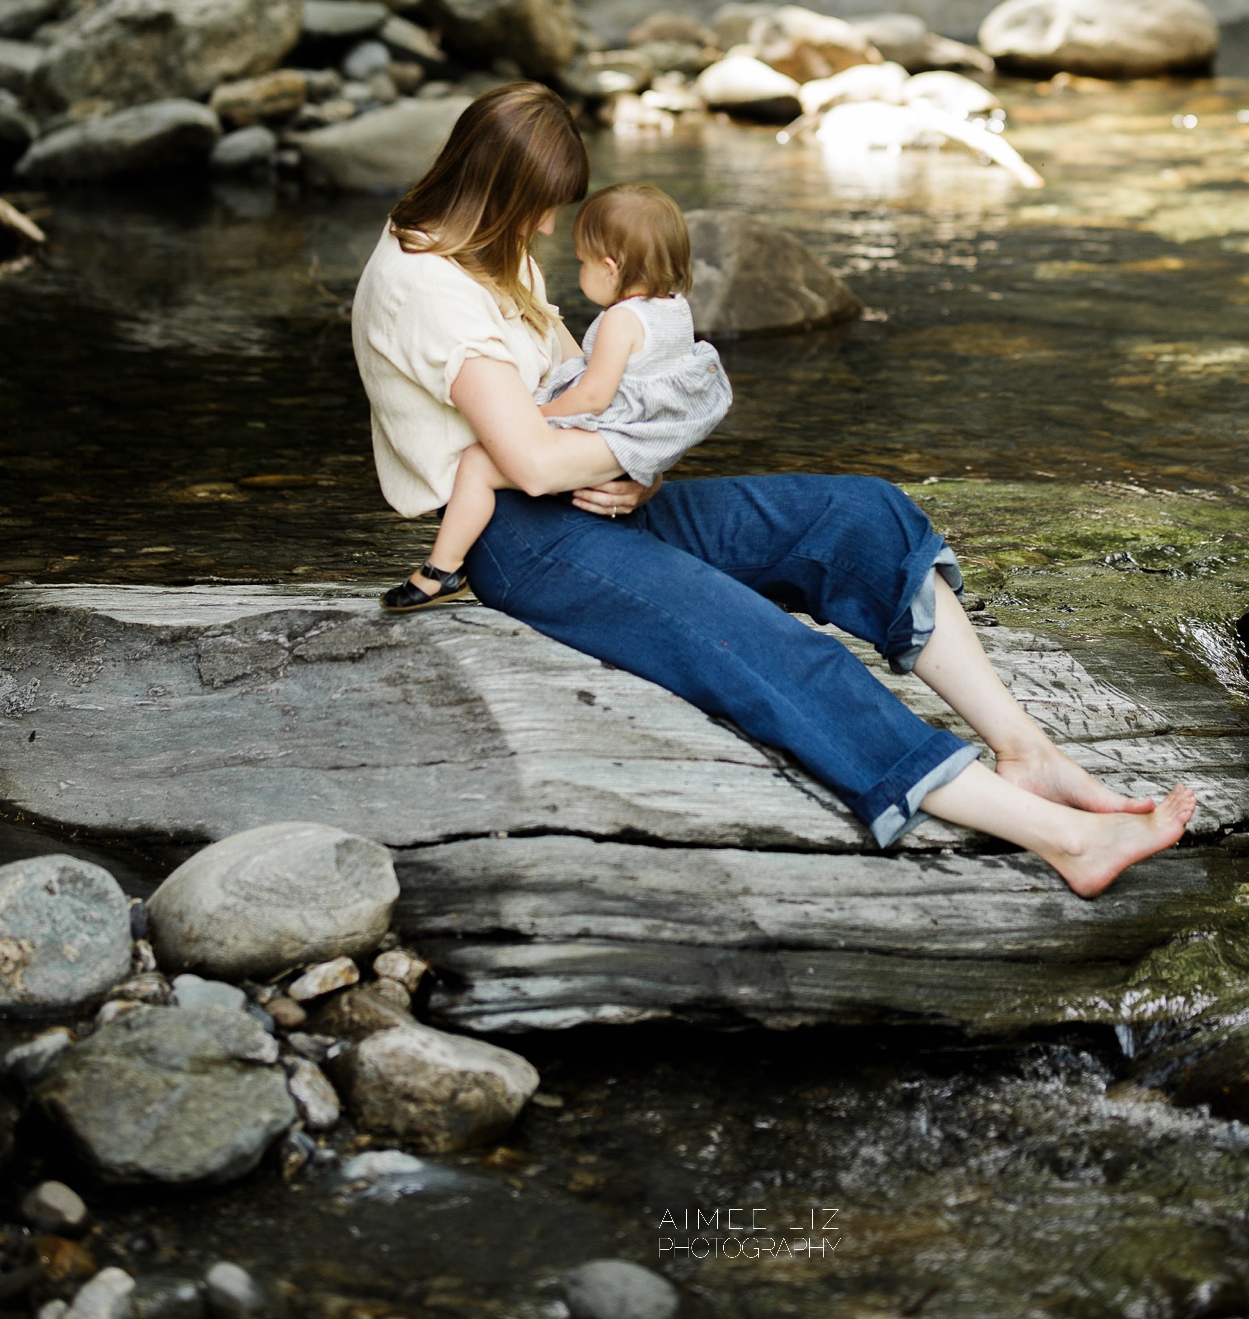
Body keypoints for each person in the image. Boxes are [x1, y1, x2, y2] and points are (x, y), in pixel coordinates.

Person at [350, 82, 1196, 897]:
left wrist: (641, 470)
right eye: (540, 206)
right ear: (498, 191)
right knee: (759, 647)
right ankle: (1065, 838)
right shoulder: (429, 290)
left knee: (859, 516)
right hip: (523, 541)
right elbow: (530, 463)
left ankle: (1026, 750)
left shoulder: (496, 254)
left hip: (597, 493)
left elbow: (596, 385)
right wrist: (615, 456)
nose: (547, 226)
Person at [420, 179, 730, 589]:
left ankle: (441, 569)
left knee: (478, 462)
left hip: (614, 434)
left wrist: (535, 415)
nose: (581, 270)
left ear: (610, 266)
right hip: (643, 436)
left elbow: (594, 396)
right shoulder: (674, 308)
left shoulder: (622, 320)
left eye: (583, 262)